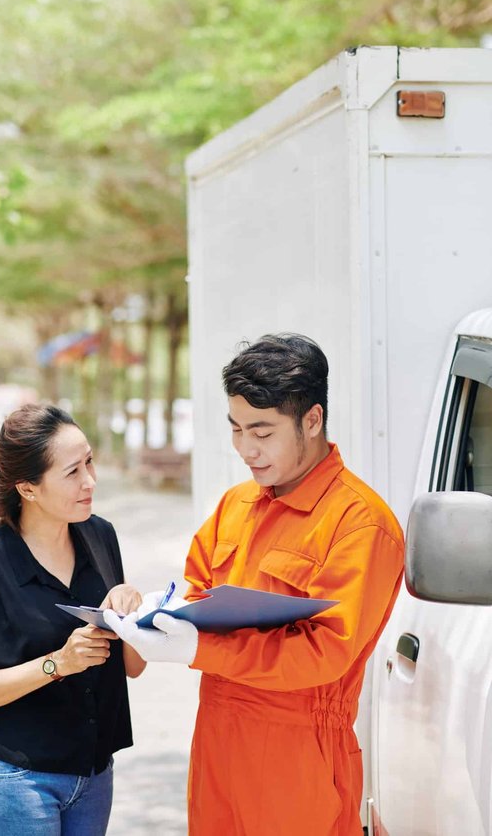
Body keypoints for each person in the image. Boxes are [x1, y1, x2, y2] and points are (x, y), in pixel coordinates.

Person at [105, 334, 405, 836]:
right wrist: (153, 611)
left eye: (262, 432)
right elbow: (196, 591)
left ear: (312, 420)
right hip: (218, 743)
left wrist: (200, 647)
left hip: (298, 754)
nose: (246, 448)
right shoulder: (235, 505)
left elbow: (324, 652)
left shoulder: (359, 523)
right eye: (237, 429)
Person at [0, 404, 146, 836]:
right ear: (28, 488)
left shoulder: (101, 535)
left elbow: (133, 666)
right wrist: (58, 663)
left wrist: (130, 615)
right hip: (16, 781)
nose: (90, 481)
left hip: (94, 776)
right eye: (73, 472)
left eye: (90, 462)